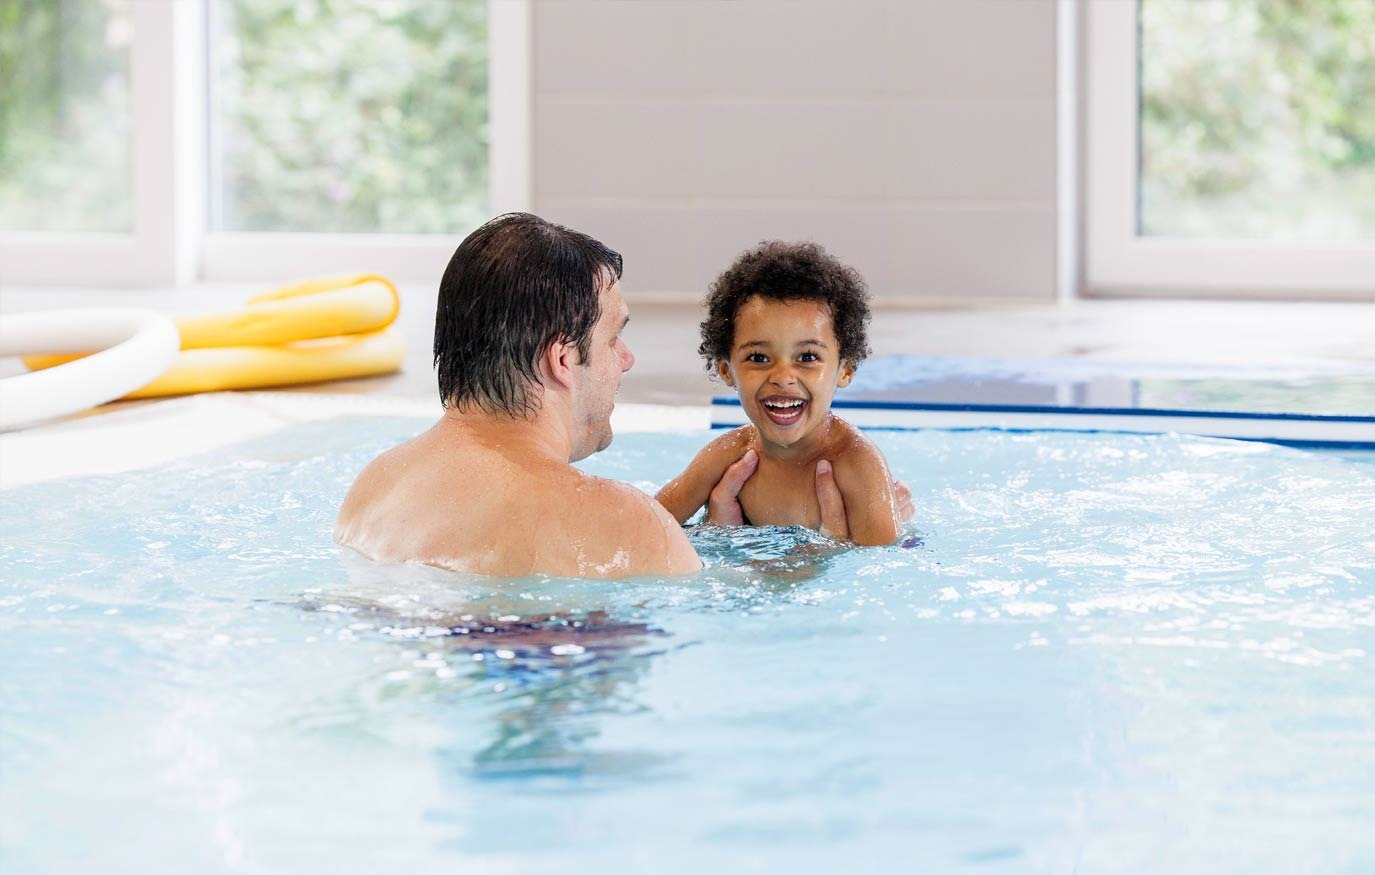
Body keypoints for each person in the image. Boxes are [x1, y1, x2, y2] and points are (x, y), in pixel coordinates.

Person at [334, 214, 856, 579]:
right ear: (563, 360)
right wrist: (817, 557)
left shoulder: (376, 486)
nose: (626, 359)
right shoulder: (620, 526)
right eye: (612, 339)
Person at [656, 241, 904, 546]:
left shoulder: (856, 463)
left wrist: (830, 553)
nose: (783, 378)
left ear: (846, 369)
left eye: (808, 357)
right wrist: (714, 536)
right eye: (759, 358)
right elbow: (645, 528)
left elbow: (885, 560)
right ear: (726, 370)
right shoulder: (727, 454)